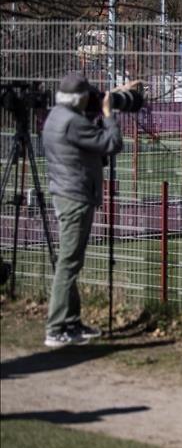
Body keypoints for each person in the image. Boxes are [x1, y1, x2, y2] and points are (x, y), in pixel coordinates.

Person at [41, 73, 132, 348]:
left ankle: (71, 322)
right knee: (68, 263)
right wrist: (108, 114)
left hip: (66, 192)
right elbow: (112, 144)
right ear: (80, 99)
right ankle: (56, 329)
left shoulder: (57, 116)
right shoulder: (73, 123)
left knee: (70, 262)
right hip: (76, 196)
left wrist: (114, 93)